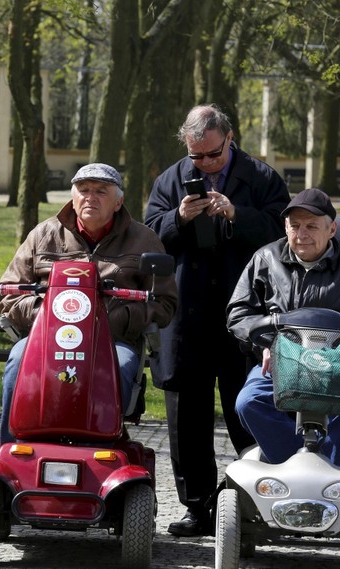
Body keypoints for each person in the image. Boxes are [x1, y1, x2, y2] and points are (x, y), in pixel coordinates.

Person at [144, 104, 289, 537]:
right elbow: (150, 236)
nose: (204, 163)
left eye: (212, 154)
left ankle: (256, 506)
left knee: (248, 409)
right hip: (186, 316)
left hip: (244, 314)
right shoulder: (170, 180)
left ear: (230, 138)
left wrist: (236, 214)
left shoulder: (262, 178)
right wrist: (179, 218)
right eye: (196, 156)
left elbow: (285, 235)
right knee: (186, 417)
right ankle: (198, 508)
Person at [227, 189, 340, 466]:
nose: (302, 234)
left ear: (332, 229)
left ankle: (330, 465)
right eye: (295, 226)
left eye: (312, 226)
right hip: (282, 364)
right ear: (285, 227)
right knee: (248, 401)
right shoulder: (265, 259)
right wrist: (266, 343)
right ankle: (294, 468)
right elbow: (238, 313)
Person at [0, 163, 178, 442]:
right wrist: (45, 316)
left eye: (100, 191)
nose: (90, 197)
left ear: (118, 202)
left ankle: (104, 440)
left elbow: (165, 303)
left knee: (119, 365)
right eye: (83, 190)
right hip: (45, 340)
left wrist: (119, 318)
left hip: (113, 340)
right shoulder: (44, 235)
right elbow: (7, 292)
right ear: (73, 197)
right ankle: (13, 447)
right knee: (19, 361)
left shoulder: (144, 240)